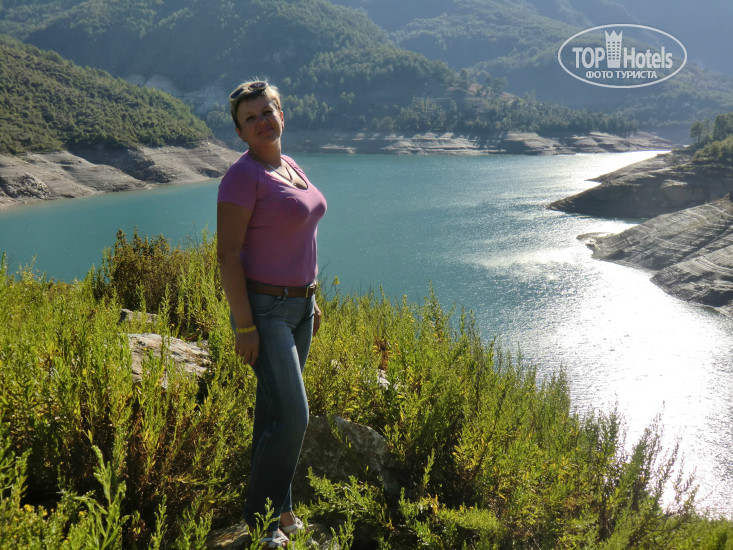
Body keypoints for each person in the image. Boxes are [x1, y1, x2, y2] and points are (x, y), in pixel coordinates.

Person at [216, 80, 327, 548]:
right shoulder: (242, 177)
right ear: (240, 132)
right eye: (250, 118)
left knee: (274, 416)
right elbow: (227, 255)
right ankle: (261, 523)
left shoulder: (290, 166)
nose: (262, 122)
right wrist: (244, 325)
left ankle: (281, 512)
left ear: (282, 114)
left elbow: (298, 236)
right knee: (295, 417)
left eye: (267, 111)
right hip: (266, 312)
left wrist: (311, 298)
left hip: (300, 307)